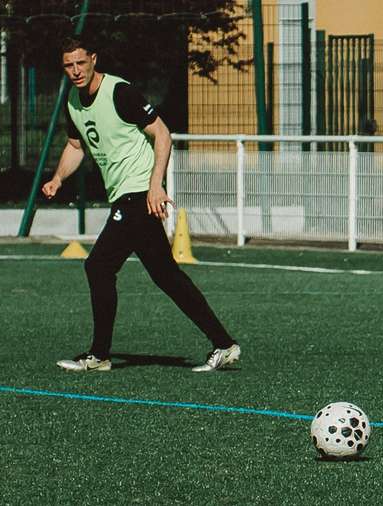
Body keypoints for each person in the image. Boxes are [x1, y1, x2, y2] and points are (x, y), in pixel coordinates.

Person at [43, 37, 240, 373]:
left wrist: (154, 186)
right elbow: (76, 146)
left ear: (93, 59)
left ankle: (99, 355)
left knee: (99, 266)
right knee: (166, 276)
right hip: (125, 195)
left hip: (138, 194)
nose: (75, 71)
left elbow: (162, 134)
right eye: (68, 65)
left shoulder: (120, 92)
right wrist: (58, 178)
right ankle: (223, 344)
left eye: (80, 62)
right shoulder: (74, 102)